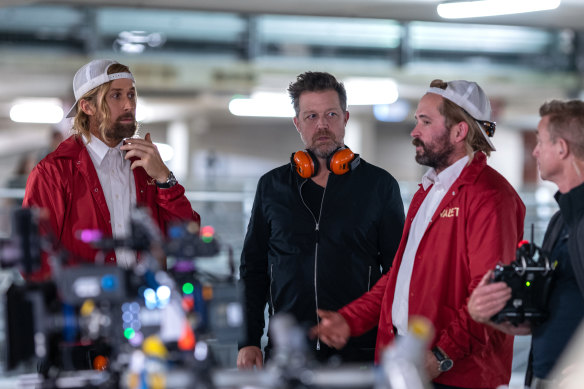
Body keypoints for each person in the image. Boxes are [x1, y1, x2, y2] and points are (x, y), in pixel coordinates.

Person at [314, 79, 526, 389]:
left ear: (459, 131)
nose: (415, 131)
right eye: (417, 121)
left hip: (456, 375)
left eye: (425, 122)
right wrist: (351, 319)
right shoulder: (427, 191)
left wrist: (441, 356)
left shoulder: (490, 197)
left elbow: (490, 299)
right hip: (406, 365)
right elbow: (399, 276)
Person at [237, 71, 405, 369]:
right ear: (297, 123)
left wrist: (399, 344)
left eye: (331, 114)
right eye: (311, 116)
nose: (322, 125)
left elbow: (399, 274)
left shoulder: (379, 186)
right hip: (287, 351)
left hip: (359, 352)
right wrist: (248, 339)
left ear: (346, 118)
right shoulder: (271, 187)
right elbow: (254, 271)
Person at [23, 59, 200, 279]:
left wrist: (165, 178)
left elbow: (188, 236)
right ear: (87, 107)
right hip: (85, 307)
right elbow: (35, 258)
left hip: (148, 301)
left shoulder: (146, 166)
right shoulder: (53, 172)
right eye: (116, 96)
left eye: (131, 94)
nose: (129, 105)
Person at [467, 100, 584, 388]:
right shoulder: (561, 221)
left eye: (540, 141)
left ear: (562, 148)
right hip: (544, 377)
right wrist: (491, 314)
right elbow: (545, 312)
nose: (534, 151)